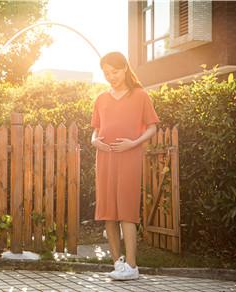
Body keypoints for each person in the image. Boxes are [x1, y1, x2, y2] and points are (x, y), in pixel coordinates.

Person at [90, 52, 160, 280]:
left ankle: (132, 265)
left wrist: (134, 143)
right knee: (109, 211)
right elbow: (96, 129)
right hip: (105, 158)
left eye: (115, 71)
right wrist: (94, 140)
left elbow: (152, 127)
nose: (111, 76)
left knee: (127, 211)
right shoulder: (100, 98)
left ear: (125, 69)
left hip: (129, 157)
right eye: (106, 73)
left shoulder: (140, 95)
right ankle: (117, 263)